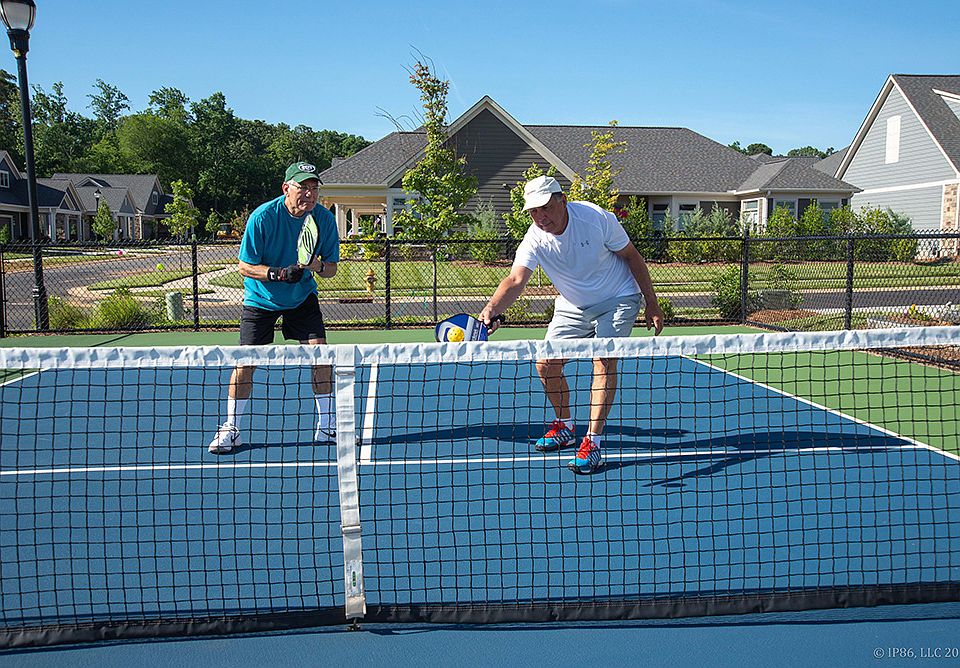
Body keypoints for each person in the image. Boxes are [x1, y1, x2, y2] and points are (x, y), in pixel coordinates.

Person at [479, 176, 663, 475]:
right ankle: (565, 426)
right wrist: (492, 308)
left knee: (603, 361)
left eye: (546, 208)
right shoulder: (534, 237)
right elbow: (515, 280)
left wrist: (652, 302)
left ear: (562, 200)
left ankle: (593, 442)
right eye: (534, 212)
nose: (541, 217)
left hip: (618, 297)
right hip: (572, 304)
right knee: (546, 364)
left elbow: (632, 257)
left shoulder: (596, 219)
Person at [208, 161, 339, 454]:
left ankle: (327, 426)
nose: (309, 193)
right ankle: (231, 428)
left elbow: (331, 269)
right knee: (245, 363)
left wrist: (315, 265)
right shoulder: (263, 217)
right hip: (261, 299)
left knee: (321, 356)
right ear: (286, 188)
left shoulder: (324, 220)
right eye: (302, 187)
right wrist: (276, 273)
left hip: (301, 297)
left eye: (314, 188)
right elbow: (244, 265)